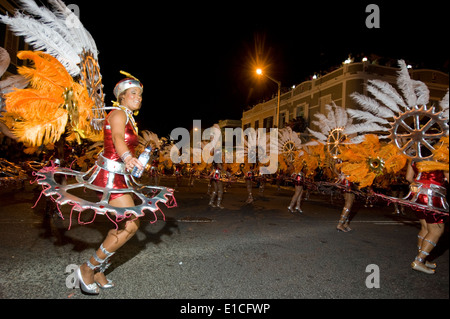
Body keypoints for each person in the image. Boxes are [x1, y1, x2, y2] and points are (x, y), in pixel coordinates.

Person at [77, 76, 145, 294]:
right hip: (109, 177)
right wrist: (126, 157)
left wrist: (137, 161)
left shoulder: (130, 119)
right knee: (131, 225)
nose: (138, 98)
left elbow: (124, 143)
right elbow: (117, 138)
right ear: (121, 97)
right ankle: (88, 269)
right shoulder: (118, 113)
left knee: (122, 225)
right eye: (133, 93)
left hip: (120, 177)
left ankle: (98, 271)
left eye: (140, 94)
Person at [405, 160, 448, 274]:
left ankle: (423, 258)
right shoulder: (441, 156)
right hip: (433, 196)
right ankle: (419, 260)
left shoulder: (414, 157)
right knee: (436, 230)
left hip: (417, 195)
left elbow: (409, 177)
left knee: (425, 228)